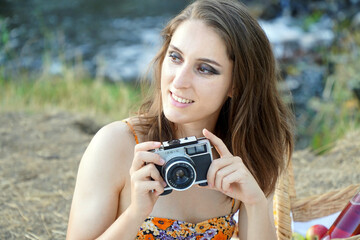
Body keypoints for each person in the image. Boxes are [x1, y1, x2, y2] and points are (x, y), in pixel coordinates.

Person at [66, 0, 294, 239]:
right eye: (175, 57)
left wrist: (255, 203)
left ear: (237, 84)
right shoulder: (116, 145)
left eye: (204, 69)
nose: (179, 81)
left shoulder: (246, 150)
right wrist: (136, 213)